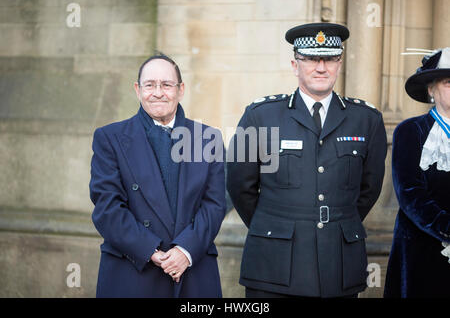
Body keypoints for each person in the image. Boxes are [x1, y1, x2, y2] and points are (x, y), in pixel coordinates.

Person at [226, 22, 387, 298]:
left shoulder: (366, 119)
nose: (321, 67)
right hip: (274, 269)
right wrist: (273, 228)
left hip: (338, 266)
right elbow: (239, 185)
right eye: (312, 59)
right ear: (295, 64)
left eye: (330, 59)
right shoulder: (260, 116)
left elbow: (368, 189)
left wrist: (338, 224)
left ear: (340, 63)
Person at [89, 52, 226, 297]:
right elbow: (107, 208)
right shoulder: (109, 138)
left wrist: (185, 251)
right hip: (132, 272)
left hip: (193, 273)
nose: (158, 92)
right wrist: (151, 251)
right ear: (137, 89)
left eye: (166, 85)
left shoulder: (207, 138)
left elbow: (214, 205)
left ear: (180, 89)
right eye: (150, 85)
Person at [384, 47, 450, 298]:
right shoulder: (410, 131)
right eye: (449, 82)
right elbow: (410, 194)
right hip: (421, 251)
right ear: (431, 89)